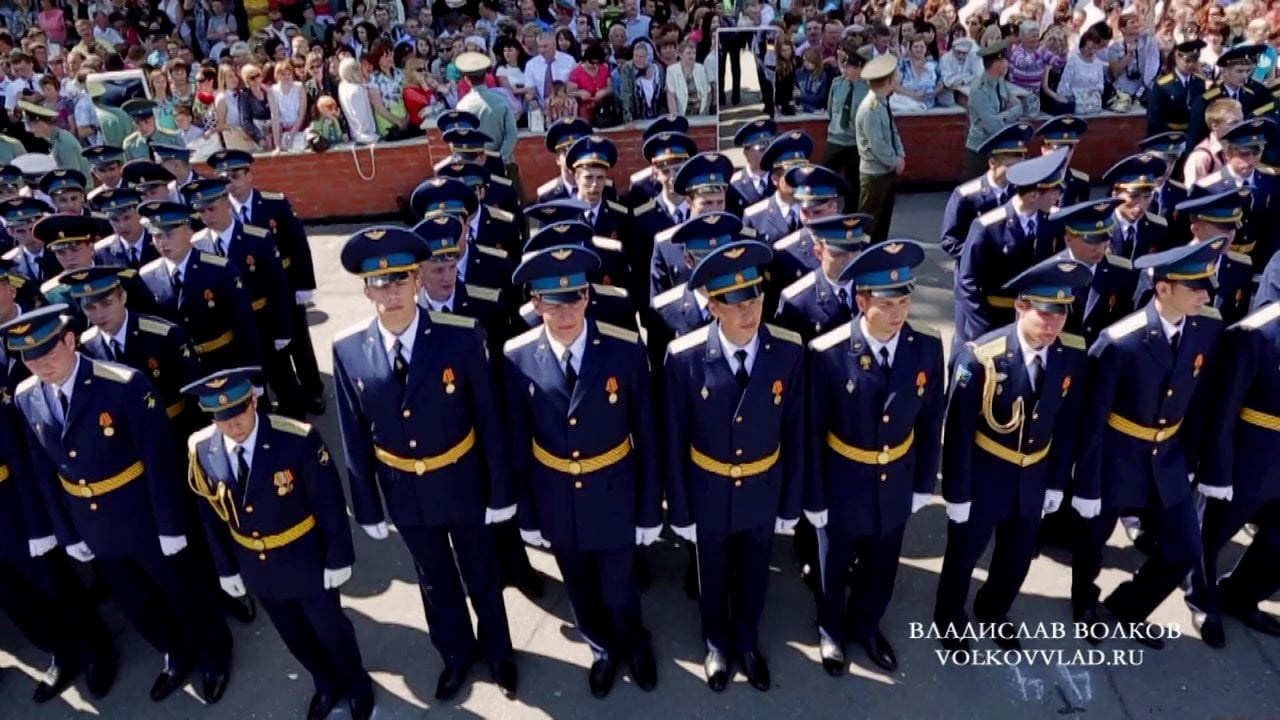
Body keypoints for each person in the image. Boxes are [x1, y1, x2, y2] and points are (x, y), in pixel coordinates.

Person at [3, 304, 234, 704]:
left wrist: (171, 524)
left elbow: (159, 459)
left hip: (142, 513)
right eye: (29, 356)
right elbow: (44, 470)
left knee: (182, 589)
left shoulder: (123, 384)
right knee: (136, 599)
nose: (41, 363)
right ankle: (174, 653)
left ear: (71, 340)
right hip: (92, 523)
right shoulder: (26, 397)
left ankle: (213, 653)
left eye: (49, 350)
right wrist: (66, 530)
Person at [331, 226, 518, 702]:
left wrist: (499, 490)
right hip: (404, 489)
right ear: (365, 288)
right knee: (434, 579)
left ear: (416, 281)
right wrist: (367, 507)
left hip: (462, 478)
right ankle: (456, 654)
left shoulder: (459, 335)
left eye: (399, 279)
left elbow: (488, 419)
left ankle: (498, 651)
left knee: (481, 571)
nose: (390, 291)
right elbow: (354, 435)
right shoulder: (348, 348)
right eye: (379, 282)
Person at [504, 244, 661, 698]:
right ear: (535, 303)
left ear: (588, 297)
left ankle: (634, 642)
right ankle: (600, 648)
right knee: (578, 584)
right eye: (554, 303)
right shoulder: (516, 358)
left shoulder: (623, 350)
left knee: (619, 583)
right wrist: (528, 517)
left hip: (614, 491)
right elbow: (519, 445)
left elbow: (647, 438)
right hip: (555, 497)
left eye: (575, 298)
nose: (566, 311)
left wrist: (650, 510)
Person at [184, 368, 375, 720]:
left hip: (306, 557)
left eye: (239, 411)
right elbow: (210, 515)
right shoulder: (201, 448)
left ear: (253, 400)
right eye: (222, 417)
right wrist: (225, 568)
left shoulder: (297, 439)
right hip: (256, 565)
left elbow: (329, 503)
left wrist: (338, 557)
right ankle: (324, 682)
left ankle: (355, 683)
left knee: (331, 628)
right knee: (293, 634)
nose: (234, 424)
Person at [663, 240, 804, 693]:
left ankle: (746, 640)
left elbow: (797, 433)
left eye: (757, 297)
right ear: (712, 304)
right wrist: (679, 510)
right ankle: (716, 643)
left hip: (764, 485)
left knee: (757, 569)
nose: (750, 311)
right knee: (713, 570)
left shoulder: (786, 350)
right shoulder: (684, 358)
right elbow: (673, 438)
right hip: (709, 487)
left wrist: (790, 502)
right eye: (736, 302)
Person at [1070, 240, 1225, 648]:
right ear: (1163, 289)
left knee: (1184, 548)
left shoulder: (1207, 326)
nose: (1206, 295)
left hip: (1168, 457)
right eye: (1195, 288)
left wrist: (1190, 459)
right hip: (1117, 455)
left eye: (1205, 286)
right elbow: (1092, 419)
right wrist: (1086, 482)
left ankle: (1129, 606)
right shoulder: (1121, 341)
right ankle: (1084, 603)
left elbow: (1199, 399)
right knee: (1091, 542)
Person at [934, 257, 1091, 652]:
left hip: (1034, 475)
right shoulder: (980, 357)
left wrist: (1058, 481)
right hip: (987, 472)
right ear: (1021, 306)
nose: (1054, 324)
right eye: (1045, 313)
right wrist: (957, 492)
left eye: (1062, 314)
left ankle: (993, 610)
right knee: (964, 555)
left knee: (1017, 556)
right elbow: (957, 431)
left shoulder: (1069, 354)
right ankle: (950, 618)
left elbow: (1066, 422)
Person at [806, 238, 942, 675]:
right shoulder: (827, 354)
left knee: (884, 561)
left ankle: (866, 625)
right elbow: (811, 432)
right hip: (843, 477)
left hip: (896, 478)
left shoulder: (926, 346)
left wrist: (924, 482)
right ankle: (831, 630)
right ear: (861, 301)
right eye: (887, 303)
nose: (899, 311)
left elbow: (931, 421)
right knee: (835, 562)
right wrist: (815, 494)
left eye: (904, 299)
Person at [0, 377, 117, 704]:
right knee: (18, 604)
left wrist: (38, 528)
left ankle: (96, 649)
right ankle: (62, 652)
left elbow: (21, 465)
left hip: (12, 516)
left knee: (56, 587)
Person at [1188, 299, 1280, 648]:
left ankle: (1241, 596)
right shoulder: (1255, 332)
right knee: (1211, 534)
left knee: (1276, 544)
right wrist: (1215, 469)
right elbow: (1223, 408)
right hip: (1250, 456)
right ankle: (1203, 601)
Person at [207, 150, 324, 416]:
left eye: (235, 176)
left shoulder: (273, 203)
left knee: (298, 344)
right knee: (267, 356)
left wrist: (304, 285)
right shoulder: (219, 214)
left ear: (249, 174)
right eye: (224, 179)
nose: (231, 183)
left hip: (284, 287)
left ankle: (313, 390)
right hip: (248, 298)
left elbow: (297, 244)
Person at [183, 178, 302, 420]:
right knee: (249, 383)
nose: (207, 216)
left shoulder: (257, 238)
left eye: (212, 208)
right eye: (201, 211)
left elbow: (277, 287)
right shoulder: (197, 245)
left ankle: (296, 423)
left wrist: (282, 329)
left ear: (227, 203)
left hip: (263, 319)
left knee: (280, 375)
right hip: (233, 330)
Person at [135, 201, 262, 373]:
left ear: (189, 232)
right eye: (157, 236)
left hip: (225, 360)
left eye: (169, 235)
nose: (163, 243)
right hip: (182, 369)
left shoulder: (219, 268)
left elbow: (244, 322)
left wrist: (253, 372)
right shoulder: (147, 276)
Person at [1049, 198, 1138, 346]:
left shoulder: (1122, 272)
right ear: (1069, 239)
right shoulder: (1051, 273)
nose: (1099, 247)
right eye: (1091, 240)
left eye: (1104, 239)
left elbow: (1126, 323)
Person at [774, 213, 872, 344]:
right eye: (838, 254)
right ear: (818, 252)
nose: (848, 259)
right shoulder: (797, 301)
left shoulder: (875, 289)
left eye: (854, 251)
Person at [1192, 118, 1279, 266]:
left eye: (1256, 152)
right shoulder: (1209, 187)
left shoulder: (1270, 181)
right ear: (1228, 152)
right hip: (1218, 262)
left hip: (1258, 261)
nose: (1250, 160)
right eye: (1244, 154)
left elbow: (1274, 229)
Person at [942, 122, 1033, 259]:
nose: (1015, 172)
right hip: (977, 273)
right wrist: (977, 257)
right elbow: (950, 241)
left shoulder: (1022, 192)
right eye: (1009, 166)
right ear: (993, 163)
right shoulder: (966, 195)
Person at [855, 54, 905, 246]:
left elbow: (892, 132)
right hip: (874, 174)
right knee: (869, 221)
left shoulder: (882, 102)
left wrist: (900, 155)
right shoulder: (871, 108)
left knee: (882, 221)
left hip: (885, 171)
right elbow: (879, 145)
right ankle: (862, 254)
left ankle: (877, 250)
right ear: (889, 80)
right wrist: (895, 161)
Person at [456, 52, 521, 194]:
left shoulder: (462, 106)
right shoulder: (501, 100)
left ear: (466, 79)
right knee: (513, 209)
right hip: (504, 164)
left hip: (477, 167)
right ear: (486, 76)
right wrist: (500, 158)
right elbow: (512, 134)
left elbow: (461, 140)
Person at [964, 41, 1025, 179]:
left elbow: (1019, 107)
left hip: (998, 148)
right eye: (1005, 60)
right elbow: (993, 125)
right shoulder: (979, 90)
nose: (1007, 64)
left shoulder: (1000, 82)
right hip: (980, 149)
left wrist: (1004, 115)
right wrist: (1010, 114)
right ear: (996, 63)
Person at [1189, 45, 1264, 145]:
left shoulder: (1251, 96)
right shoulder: (1207, 100)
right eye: (1239, 71)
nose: (1244, 76)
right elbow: (1195, 137)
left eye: (1247, 71)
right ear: (1225, 71)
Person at [1102, 154, 1171, 261]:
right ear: (1115, 193)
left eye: (1147, 197)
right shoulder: (1099, 227)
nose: (1141, 204)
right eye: (1133, 196)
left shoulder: (1157, 227)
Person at [825, 43, 868, 197]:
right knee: (826, 180)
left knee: (854, 183)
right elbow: (831, 110)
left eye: (849, 67)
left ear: (860, 69)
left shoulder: (868, 89)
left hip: (854, 142)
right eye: (845, 65)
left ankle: (851, 214)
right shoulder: (837, 83)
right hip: (835, 140)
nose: (845, 70)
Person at [1146, 40, 1207, 137]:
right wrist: (1166, 136)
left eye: (1194, 61)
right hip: (1168, 134)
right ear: (1177, 58)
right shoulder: (1163, 84)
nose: (1191, 65)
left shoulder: (1199, 83)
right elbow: (1154, 117)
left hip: (1192, 135)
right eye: (1187, 60)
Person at [1183, 98, 1242, 187]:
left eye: (1242, 120)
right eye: (1233, 123)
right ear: (1214, 126)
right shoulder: (1201, 157)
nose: (1241, 127)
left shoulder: (1240, 148)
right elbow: (1193, 197)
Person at [1035, 115, 1091, 207]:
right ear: (1044, 149)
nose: (1064, 154)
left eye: (1069, 148)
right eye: (1058, 148)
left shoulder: (1081, 181)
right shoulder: (1031, 180)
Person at [731, 119, 777, 207]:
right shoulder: (734, 185)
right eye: (761, 149)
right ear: (746, 153)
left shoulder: (781, 179)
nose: (767, 153)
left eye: (769, 149)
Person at [939, 37, 982, 108]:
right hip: (948, 94)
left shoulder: (972, 57)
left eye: (964, 53)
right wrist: (967, 76)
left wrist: (963, 80)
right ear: (953, 50)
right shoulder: (945, 59)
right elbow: (948, 81)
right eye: (958, 52)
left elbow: (978, 75)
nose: (961, 56)